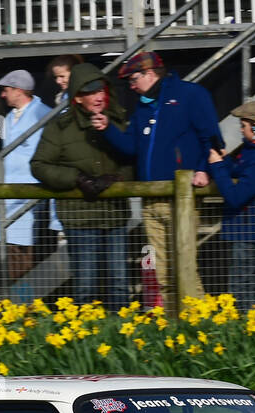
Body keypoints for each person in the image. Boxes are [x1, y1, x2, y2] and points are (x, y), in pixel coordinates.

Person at [93, 50, 217, 314]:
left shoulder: (191, 95)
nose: (131, 85)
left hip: (181, 198)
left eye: (133, 78)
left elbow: (213, 138)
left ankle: (202, 327)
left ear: (150, 74)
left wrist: (204, 169)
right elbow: (131, 147)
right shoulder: (144, 105)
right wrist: (108, 129)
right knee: (163, 274)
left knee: (184, 269)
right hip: (151, 200)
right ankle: (175, 329)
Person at [31, 63, 133, 308]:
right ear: (77, 97)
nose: (98, 97)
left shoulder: (118, 122)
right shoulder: (60, 128)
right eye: (91, 92)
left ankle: (121, 340)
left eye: (101, 90)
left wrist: (119, 178)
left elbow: (132, 158)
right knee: (85, 287)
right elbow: (39, 165)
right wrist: (77, 179)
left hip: (115, 215)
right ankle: (85, 339)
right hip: (80, 217)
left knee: (120, 286)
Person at [206, 100, 255, 311]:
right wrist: (225, 162)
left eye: (243, 126)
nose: (241, 131)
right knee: (246, 287)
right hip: (248, 229)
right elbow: (242, 172)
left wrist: (217, 166)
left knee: (242, 289)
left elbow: (236, 196)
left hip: (252, 232)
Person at [0, 69, 50, 291]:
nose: (2, 95)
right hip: (7, 196)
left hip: (28, 197)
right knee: (10, 257)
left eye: (6, 90)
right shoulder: (8, 118)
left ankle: (24, 309)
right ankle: (15, 308)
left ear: (18, 91)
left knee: (23, 259)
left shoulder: (42, 114)